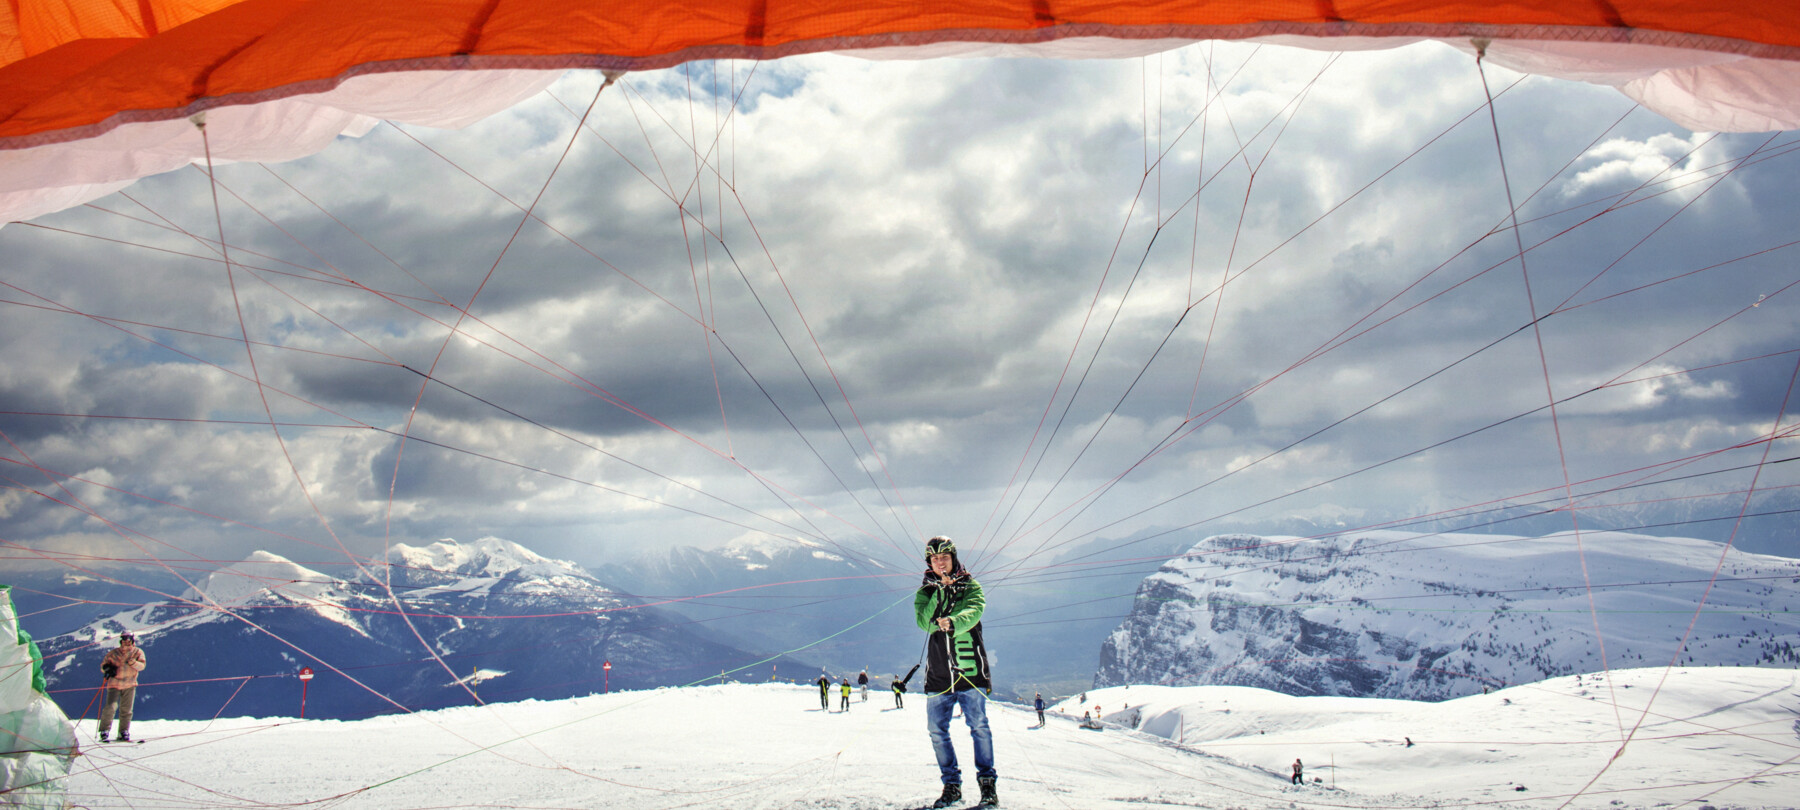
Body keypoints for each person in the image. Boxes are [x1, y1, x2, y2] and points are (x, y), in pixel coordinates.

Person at [914, 536, 997, 808]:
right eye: (935, 559)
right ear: (930, 563)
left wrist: (953, 622)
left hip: (970, 671)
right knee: (936, 730)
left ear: (954, 558)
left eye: (945, 558)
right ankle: (951, 785)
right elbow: (924, 622)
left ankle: (987, 785)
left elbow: (975, 610)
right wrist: (939, 591)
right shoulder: (925, 593)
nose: (941, 563)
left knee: (979, 727)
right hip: (938, 675)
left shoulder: (971, 586)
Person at [98, 632, 147, 742]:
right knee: (110, 708)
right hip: (114, 684)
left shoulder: (137, 652)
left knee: (127, 709)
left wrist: (133, 663)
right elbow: (103, 665)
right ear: (121, 641)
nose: (126, 642)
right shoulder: (113, 653)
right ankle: (104, 730)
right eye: (124, 640)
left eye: (128, 640)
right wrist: (106, 668)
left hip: (130, 684)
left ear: (132, 641)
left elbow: (142, 666)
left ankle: (123, 731)